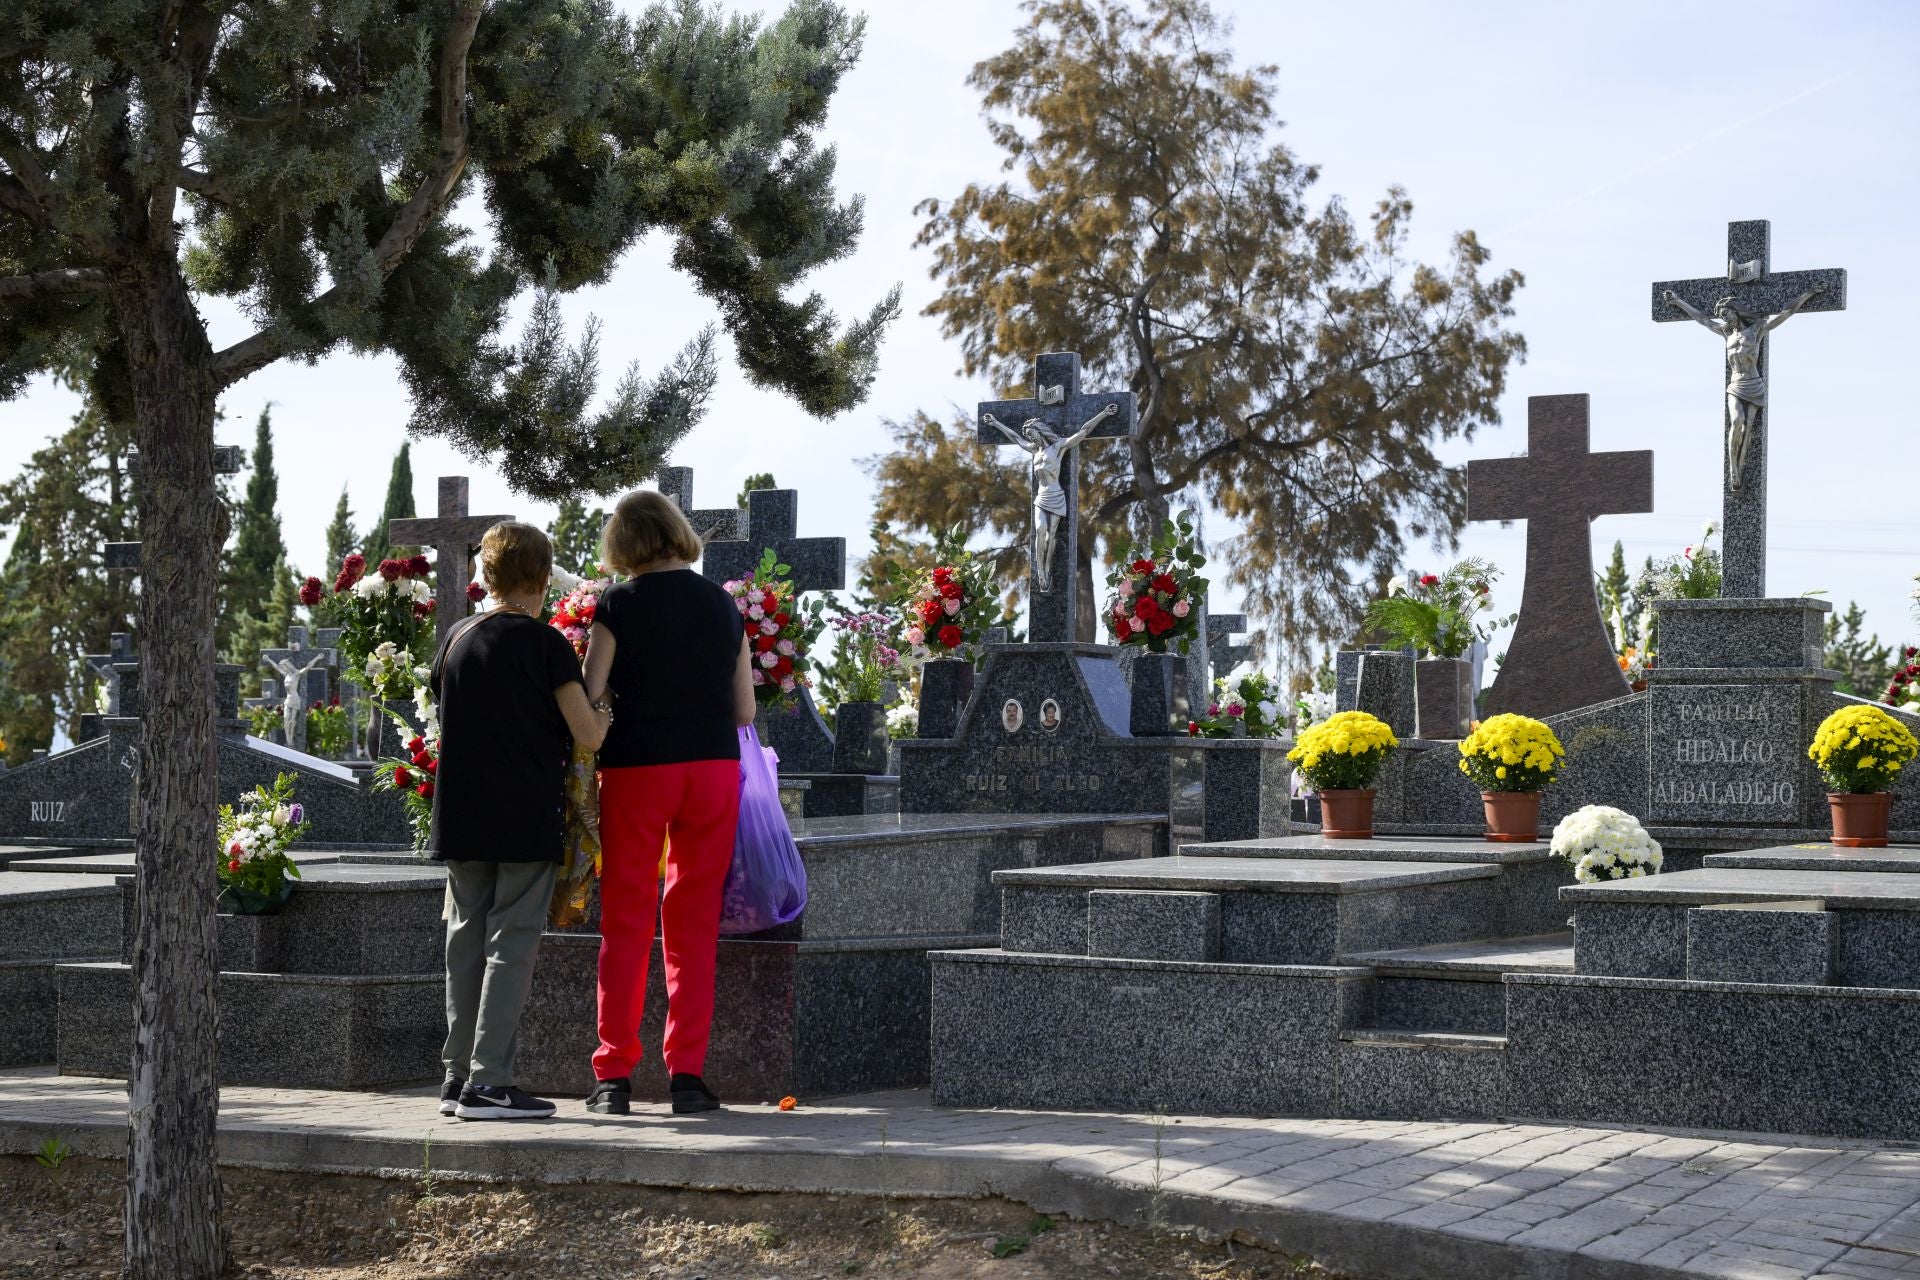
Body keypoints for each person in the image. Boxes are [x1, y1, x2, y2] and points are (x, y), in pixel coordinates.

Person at [582, 490, 756, 1116]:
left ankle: (613, 1077)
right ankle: (687, 1076)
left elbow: (591, 690)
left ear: (625, 544)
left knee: (627, 917)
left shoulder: (619, 603)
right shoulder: (722, 605)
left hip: (637, 770)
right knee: (691, 923)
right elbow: (744, 709)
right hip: (711, 769)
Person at [431, 522, 609, 1121]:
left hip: (459, 811)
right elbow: (585, 732)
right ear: (540, 578)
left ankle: (456, 1079)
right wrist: (605, 711)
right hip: (523, 810)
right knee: (511, 944)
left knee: (465, 941)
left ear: (486, 575)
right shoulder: (547, 644)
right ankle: (490, 1084)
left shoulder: (457, 637)